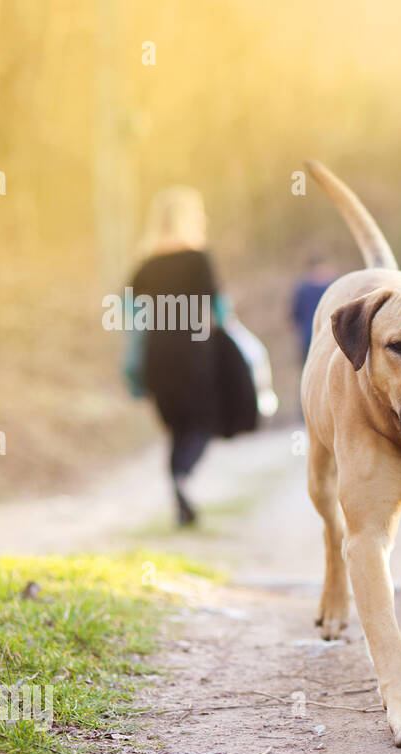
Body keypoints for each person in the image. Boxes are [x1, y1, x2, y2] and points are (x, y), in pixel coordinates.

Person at [122, 186, 264, 526]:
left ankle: (178, 482)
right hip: (194, 352)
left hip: (157, 353)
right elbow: (218, 309)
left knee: (177, 425)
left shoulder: (145, 265)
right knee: (201, 422)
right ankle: (183, 478)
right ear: (190, 219)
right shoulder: (197, 259)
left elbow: (128, 309)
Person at [291, 252, 335, 364]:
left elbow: (295, 315)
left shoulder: (302, 289)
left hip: (312, 337)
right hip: (325, 338)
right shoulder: (333, 286)